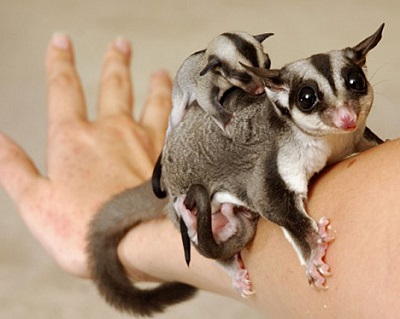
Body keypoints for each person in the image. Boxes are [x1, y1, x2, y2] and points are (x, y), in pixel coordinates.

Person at [0, 33, 398, 318]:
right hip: (201, 185)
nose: (346, 115)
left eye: (353, 87)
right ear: (280, 95)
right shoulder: (279, 141)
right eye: (313, 101)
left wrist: (153, 251)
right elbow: (273, 196)